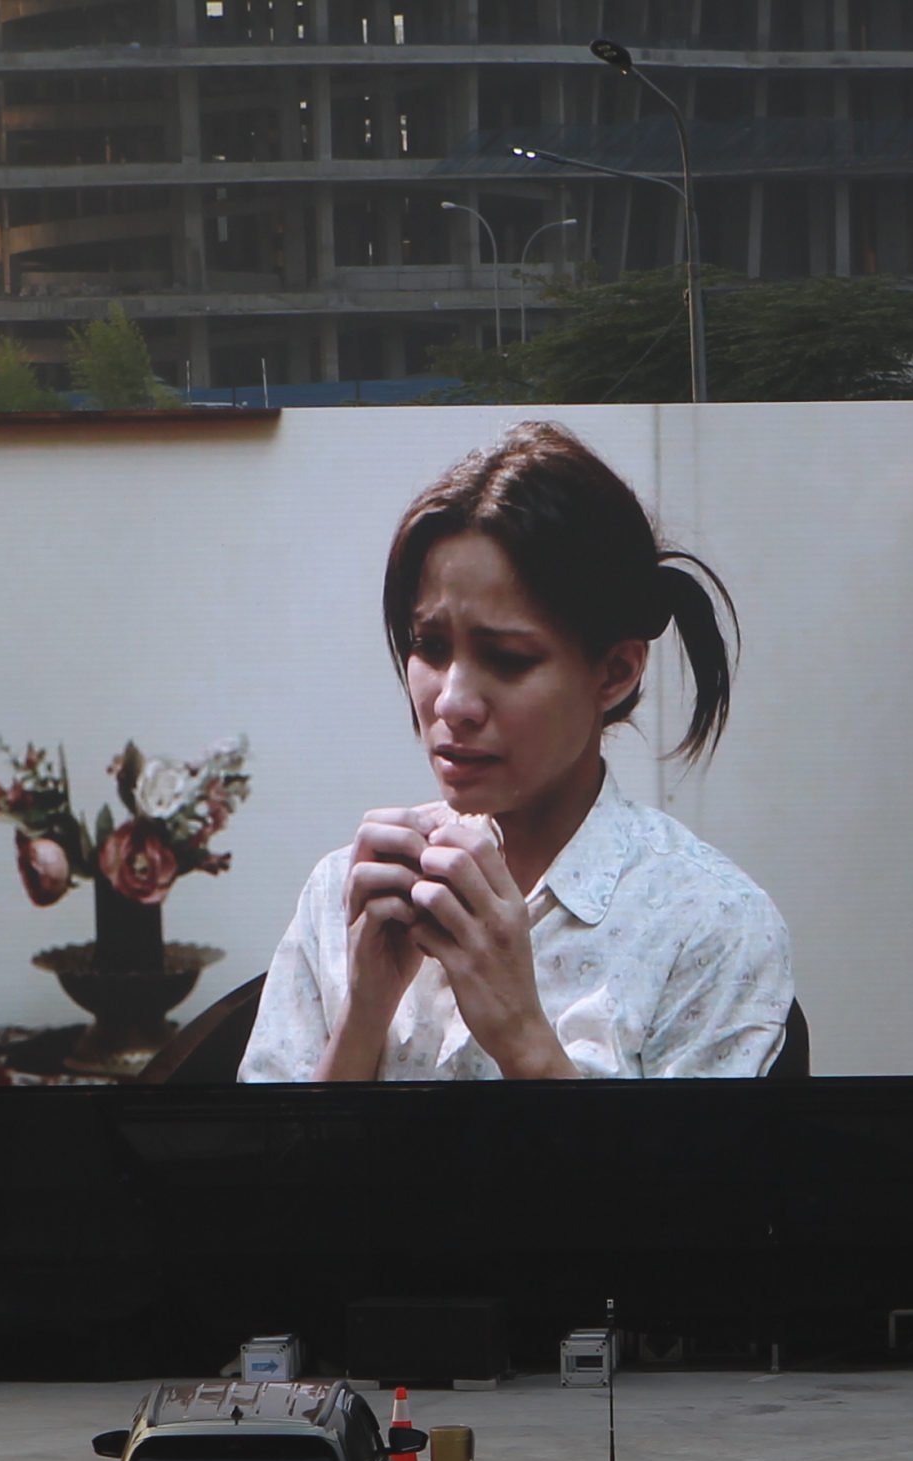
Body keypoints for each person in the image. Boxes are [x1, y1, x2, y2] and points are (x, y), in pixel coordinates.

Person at [238, 421, 794, 1084]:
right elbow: (268, 1154)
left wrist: (524, 1037)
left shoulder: (709, 924)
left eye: (506, 658)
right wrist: (362, 1016)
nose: (451, 702)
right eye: (429, 647)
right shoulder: (346, 892)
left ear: (615, 671)